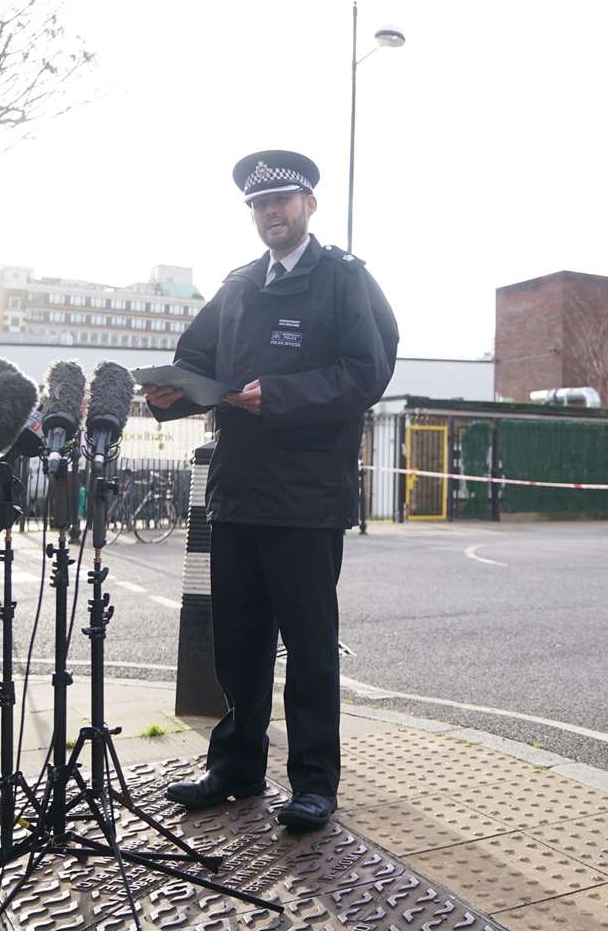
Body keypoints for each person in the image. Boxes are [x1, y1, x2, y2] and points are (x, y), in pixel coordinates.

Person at [144, 149, 398, 832]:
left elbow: (366, 370)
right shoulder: (237, 285)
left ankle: (314, 782)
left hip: (307, 499)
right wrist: (170, 394)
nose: (269, 214)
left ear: (308, 205)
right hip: (237, 493)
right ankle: (235, 766)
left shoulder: (344, 280)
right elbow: (197, 361)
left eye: (281, 201)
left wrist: (279, 395)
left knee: (310, 648)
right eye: (259, 205)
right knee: (237, 642)